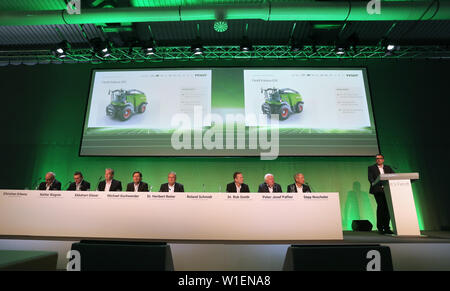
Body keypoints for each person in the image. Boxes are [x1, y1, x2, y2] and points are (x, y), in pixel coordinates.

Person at [368, 154, 395, 234]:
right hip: (378, 190)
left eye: (380, 158)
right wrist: (374, 183)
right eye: (377, 159)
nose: (378, 160)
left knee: (387, 208)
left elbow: (394, 175)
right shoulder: (371, 168)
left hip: (388, 190)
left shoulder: (388, 167)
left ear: (383, 160)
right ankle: (380, 227)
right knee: (381, 207)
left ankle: (387, 227)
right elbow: (370, 178)